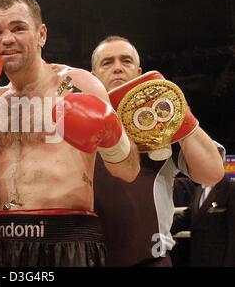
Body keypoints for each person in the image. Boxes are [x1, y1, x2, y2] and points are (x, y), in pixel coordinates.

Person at [0, 0, 141, 267]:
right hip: (1, 240)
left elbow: (128, 170)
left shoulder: (79, 85)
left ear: (41, 34)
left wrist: (113, 136)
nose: (7, 39)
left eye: (18, 28)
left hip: (67, 240)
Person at [91, 35, 226, 266]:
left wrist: (179, 113)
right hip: (86, 259)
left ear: (139, 71)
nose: (117, 68)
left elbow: (212, 173)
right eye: (107, 62)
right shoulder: (78, 120)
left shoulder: (162, 122)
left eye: (126, 61)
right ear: (93, 76)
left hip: (150, 261)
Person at [171, 176, 235, 266]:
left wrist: (229, 263)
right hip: (197, 258)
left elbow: (233, 230)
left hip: (219, 260)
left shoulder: (230, 187)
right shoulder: (199, 189)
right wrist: (161, 229)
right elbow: (188, 217)